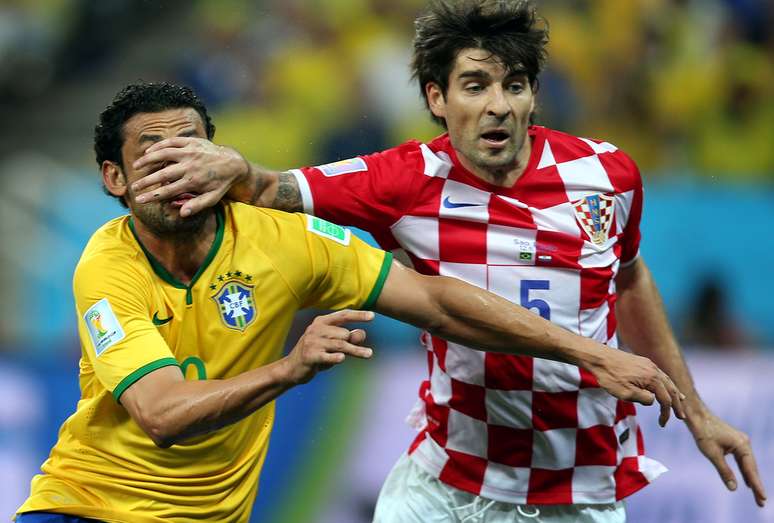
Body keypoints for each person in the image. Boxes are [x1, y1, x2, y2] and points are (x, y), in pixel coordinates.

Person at [130, 2, 765, 522]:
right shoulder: (405, 180)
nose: (499, 105)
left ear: (533, 96)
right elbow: (272, 188)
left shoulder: (607, 175)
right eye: (475, 85)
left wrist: (698, 412)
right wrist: (233, 167)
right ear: (437, 98)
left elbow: (629, 278)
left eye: (515, 86)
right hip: (445, 488)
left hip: (577, 494)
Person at [15, 82, 683, 523]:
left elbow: (440, 303)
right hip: (85, 507)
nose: (179, 170)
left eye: (189, 147)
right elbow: (160, 414)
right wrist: (290, 368)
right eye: (153, 156)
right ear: (114, 178)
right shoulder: (108, 264)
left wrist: (589, 351)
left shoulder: (283, 240)